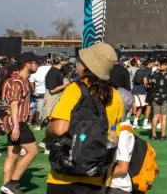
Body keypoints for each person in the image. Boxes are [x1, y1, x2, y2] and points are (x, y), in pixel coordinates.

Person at [46, 42, 124, 194]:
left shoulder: (75, 89)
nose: (78, 64)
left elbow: (59, 128)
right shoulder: (115, 96)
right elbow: (114, 136)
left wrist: (48, 130)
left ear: (88, 66)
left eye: (81, 61)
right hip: (96, 174)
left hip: (64, 175)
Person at [0, 52, 40, 194]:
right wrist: (16, 126)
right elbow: (14, 104)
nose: (37, 65)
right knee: (33, 151)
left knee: (13, 155)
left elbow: (4, 104)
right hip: (17, 122)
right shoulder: (18, 81)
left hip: (11, 121)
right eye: (35, 63)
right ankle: (12, 184)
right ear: (27, 64)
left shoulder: (13, 80)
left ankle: (5, 188)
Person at [109, 88, 136, 194]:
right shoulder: (121, 127)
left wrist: (101, 177)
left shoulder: (123, 132)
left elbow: (123, 168)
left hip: (117, 187)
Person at [150, 58, 167, 141]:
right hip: (166, 97)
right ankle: (163, 135)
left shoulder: (154, 73)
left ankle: (153, 135)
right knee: (164, 117)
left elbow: (150, 84)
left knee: (155, 116)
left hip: (156, 97)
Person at [28, 56, 50, 131]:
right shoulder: (48, 68)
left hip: (38, 93)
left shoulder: (34, 71)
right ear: (44, 62)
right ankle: (49, 123)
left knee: (39, 109)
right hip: (47, 92)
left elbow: (31, 82)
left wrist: (34, 90)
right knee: (49, 108)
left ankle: (38, 125)